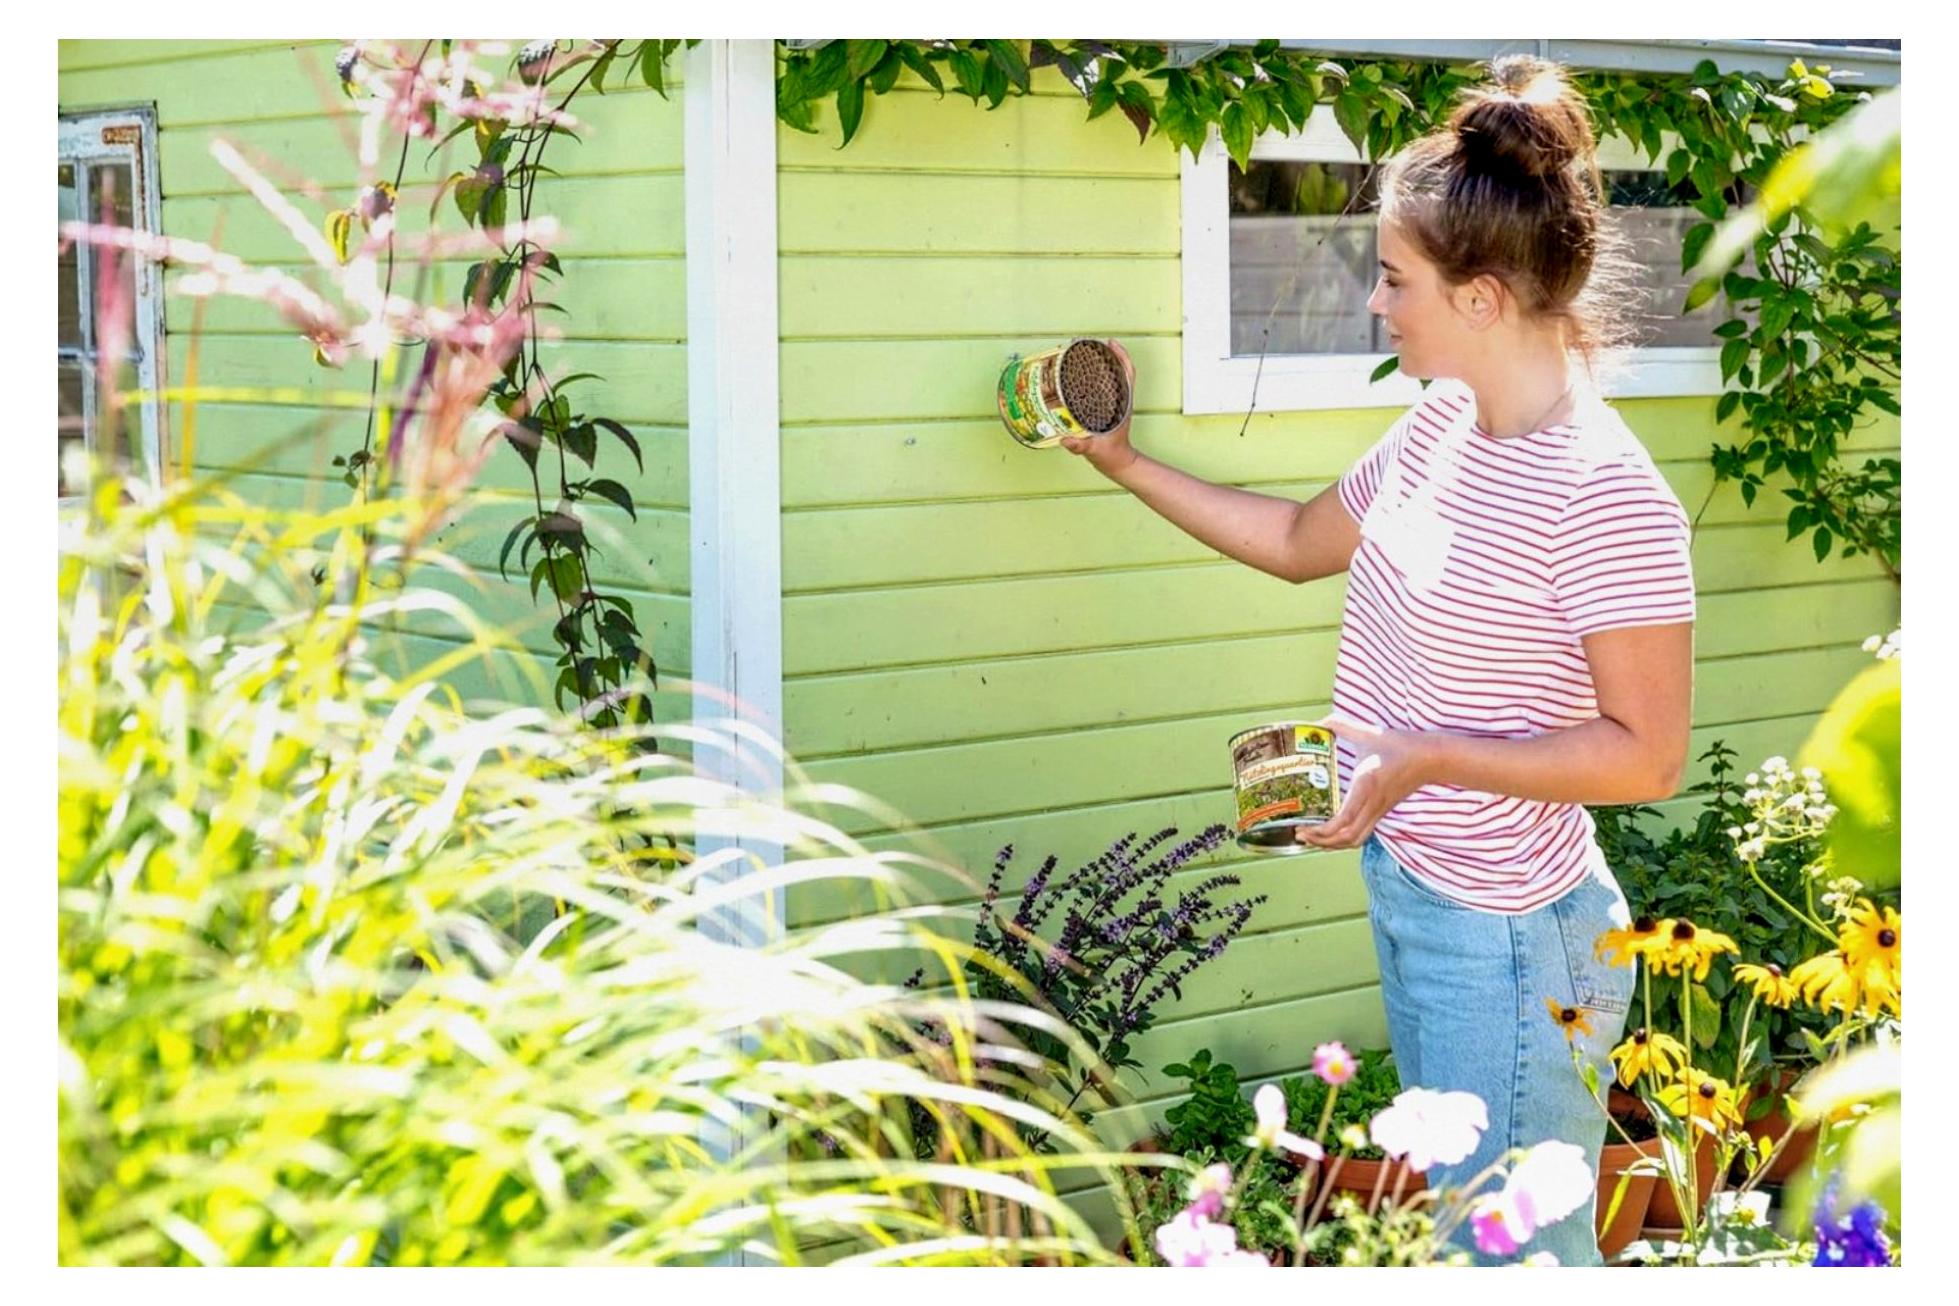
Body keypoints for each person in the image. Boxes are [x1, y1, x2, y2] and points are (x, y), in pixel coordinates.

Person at [1062, 55, 1693, 1266]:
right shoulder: (1440, 426)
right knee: (1461, 1236)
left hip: (1511, 935)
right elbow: (1303, 544)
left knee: (1515, 1257)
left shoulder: (1605, 495)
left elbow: (1650, 756)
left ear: (1482, 297)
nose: (1375, 305)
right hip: (1417, 885)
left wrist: (1422, 759)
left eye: (1394, 280)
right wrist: (1125, 465)